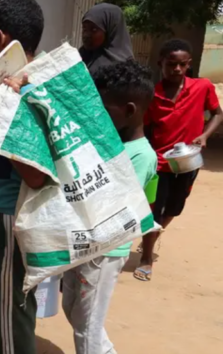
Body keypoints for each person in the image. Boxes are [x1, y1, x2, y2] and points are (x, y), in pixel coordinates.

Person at [62, 60, 158, 354]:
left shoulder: (140, 155)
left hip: (105, 252)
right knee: (74, 311)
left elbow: (114, 202)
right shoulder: (108, 142)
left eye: (103, 109)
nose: (95, 115)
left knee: (86, 329)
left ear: (129, 111)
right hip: (84, 245)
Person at [0, 0, 46, 354]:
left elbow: (34, 174)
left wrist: (3, 121)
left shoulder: (18, 93)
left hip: (9, 213)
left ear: (0, 38)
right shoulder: (39, 82)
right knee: (12, 303)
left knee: (9, 305)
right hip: (8, 209)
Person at [138, 39, 223, 281]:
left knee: (175, 207)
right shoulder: (152, 95)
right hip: (160, 164)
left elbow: (217, 113)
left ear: (189, 65)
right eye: (171, 64)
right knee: (154, 210)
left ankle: (153, 235)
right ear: (160, 64)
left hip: (188, 161)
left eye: (182, 65)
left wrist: (205, 135)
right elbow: (143, 130)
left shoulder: (202, 87)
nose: (176, 69)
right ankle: (146, 257)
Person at [79, 3, 134, 74]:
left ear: (109, 30)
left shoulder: (123, 71)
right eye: (85, 28)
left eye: (94, 30)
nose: (86, 35)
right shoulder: (80, 57)